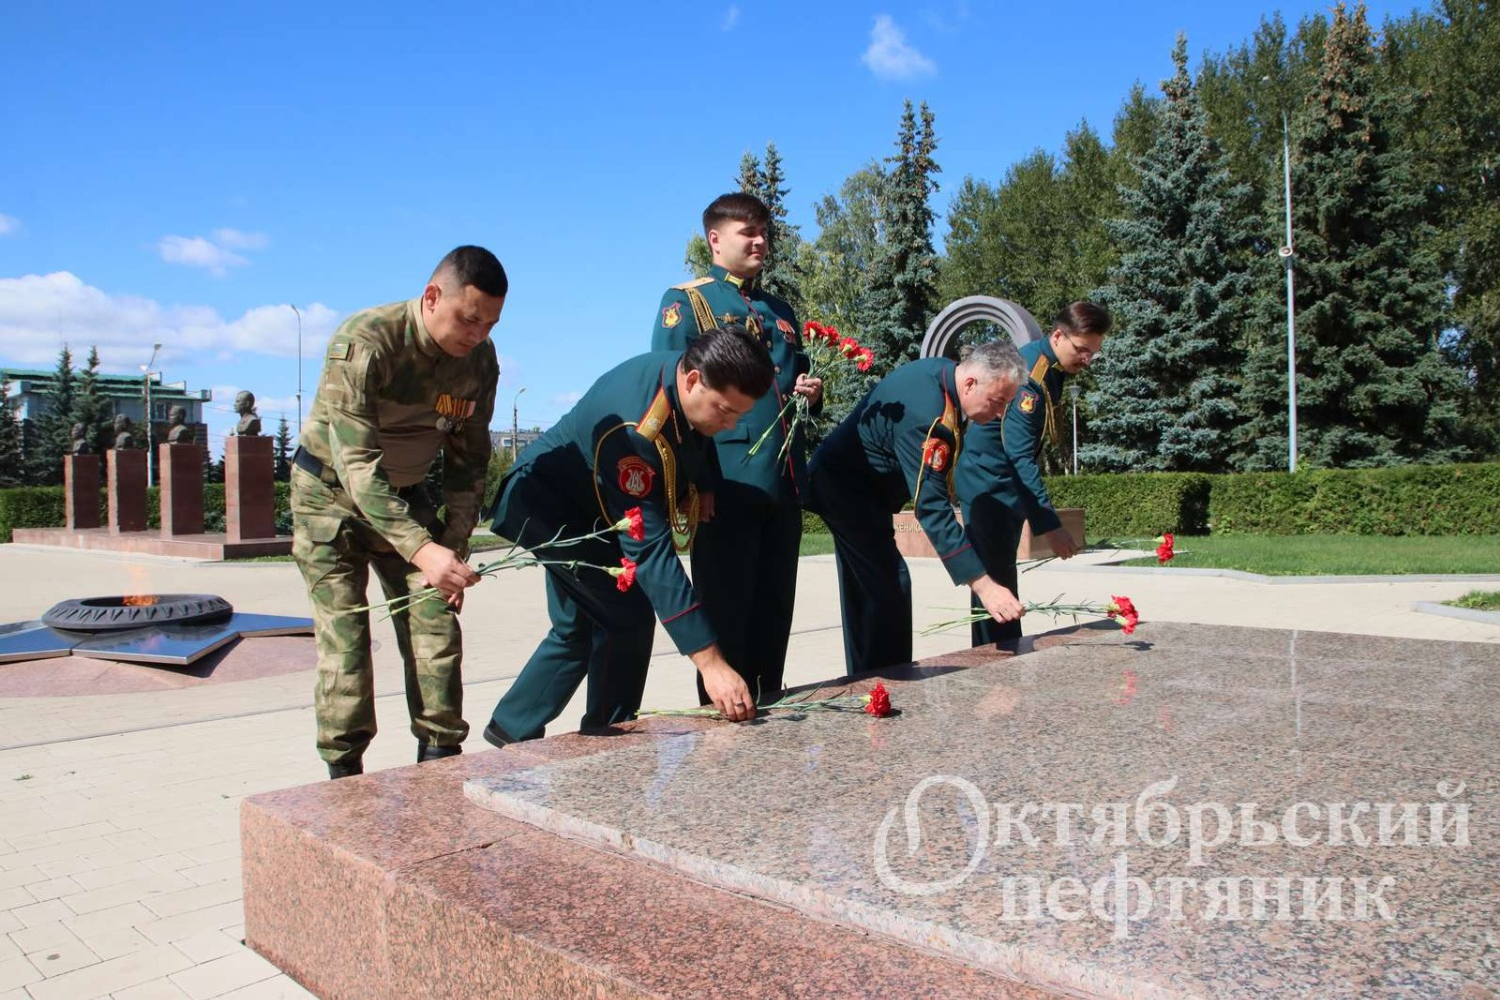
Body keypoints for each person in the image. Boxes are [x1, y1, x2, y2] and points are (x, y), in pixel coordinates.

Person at [483, 324, 774, 746]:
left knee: (576, 629)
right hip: (549, 506)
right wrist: (711, 664)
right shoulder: (636, 427)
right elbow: (650, 553)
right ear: (693, 380)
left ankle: (510, 730)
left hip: (592, 506)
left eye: (738, 416)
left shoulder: (683, 381)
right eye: (725, 411)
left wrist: (702, 483)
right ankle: (614, 736)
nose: (729, 425)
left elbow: (691, 438)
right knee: (627, 616)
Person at [291, 245, 505, 779]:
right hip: (330, 502)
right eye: (469, 319)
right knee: (347, 644)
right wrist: (422, 549)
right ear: (432, 297)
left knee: (436, 628)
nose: (478, 334)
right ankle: (344, 778)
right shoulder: (366, 340)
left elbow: (469, 463)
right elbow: (357, 465)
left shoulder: (480, 361)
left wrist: (450, 551)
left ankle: (439, 766)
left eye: (490, 324)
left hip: (407, 498)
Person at [650, 192, 821, 706]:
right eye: (748, 232)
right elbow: (672, 398)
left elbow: (789, 382)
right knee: (726, 610)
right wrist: (697, 480)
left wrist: (811, 391)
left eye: (764, 232)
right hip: (725, 483)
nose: (760, 241)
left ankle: (768, 707)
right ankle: (724, 715)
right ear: (715, 239)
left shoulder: (780, 310)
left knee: (774, 609)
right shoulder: (687, 302)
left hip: (782, 483)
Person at [804, 342, 1029, 676]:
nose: (999, 414)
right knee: (888, 586)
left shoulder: (943, 378)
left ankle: (874, 678)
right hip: (845, 489)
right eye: (997, 402)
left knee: (870, 589)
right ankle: (887, 682)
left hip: (859, 491)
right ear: (970, 383)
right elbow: (932, 508)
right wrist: (986, 587)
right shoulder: (930, 416)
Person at [955, 302, 1112, 646]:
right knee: (996, 582)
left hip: (1001, 483)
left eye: (1092, 352)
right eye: (1081, 349)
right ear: (1058, 336)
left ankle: (995, 654)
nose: (1086, 359)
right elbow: (1019, 456)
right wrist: (1050, 527)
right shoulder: (1032, 377)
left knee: (1000, 577)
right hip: (989, 483)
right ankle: (997, 659)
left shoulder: (1050, 368)